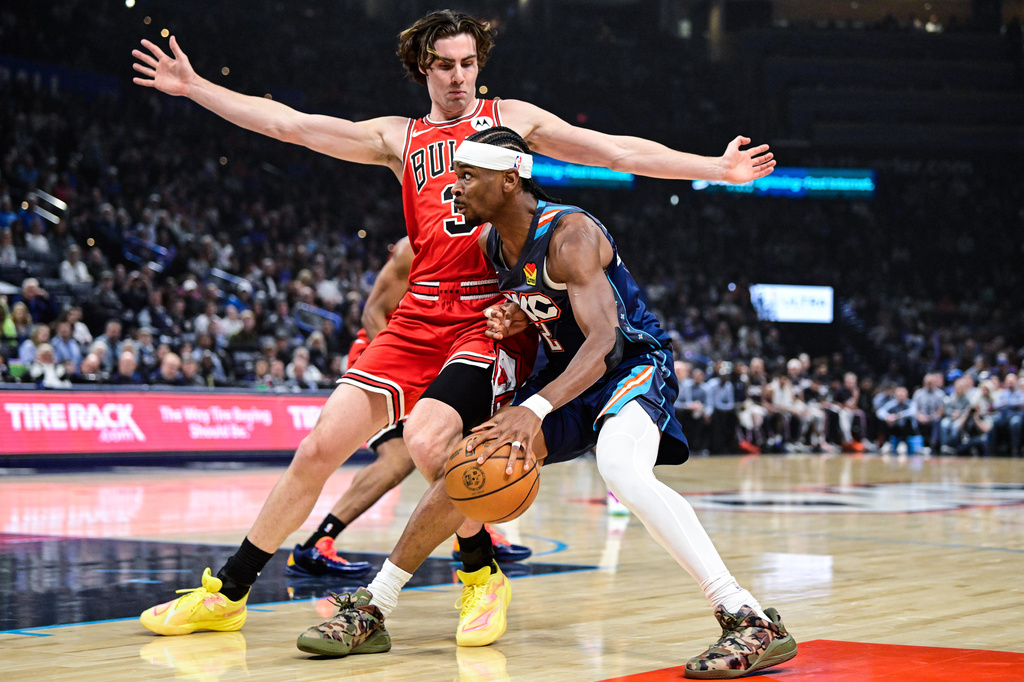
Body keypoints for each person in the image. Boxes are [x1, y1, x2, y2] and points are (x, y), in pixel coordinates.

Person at [133, 9, 774, 649]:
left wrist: (715, 169)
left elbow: (614, 150)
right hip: (418, 316)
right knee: (319, 448)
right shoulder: (397, 136)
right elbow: (293, 126)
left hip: (483, 319)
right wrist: (196, 88)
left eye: (469, 63)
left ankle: (478, 575)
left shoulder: (511, 124)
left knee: (432, 441)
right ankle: (229, 593)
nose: (461, 77)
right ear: (423, 69)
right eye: (446, 65)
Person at [438, 129, 795, 677]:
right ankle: (384, 597)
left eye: (467, 176)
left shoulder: (570, 232)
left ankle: (745, 615)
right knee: (474, 456)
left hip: (628, 363)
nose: (454, 187)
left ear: (510, 180)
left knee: (621, 470)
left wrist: (533, 409)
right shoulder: (491, 243)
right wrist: (513, 318)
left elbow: (603, 341)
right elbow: (547, 310)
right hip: (568, 376)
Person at [289, 237, 530, 579]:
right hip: (388, 356)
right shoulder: (412, 247)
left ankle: (473, 532)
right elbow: (373, 312)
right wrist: (412, 374)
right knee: (399, 456)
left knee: (462, 439)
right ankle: (317, 543)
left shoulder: (487, 244)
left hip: (439, 357)